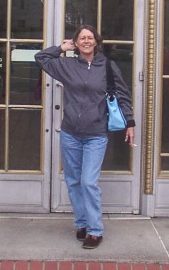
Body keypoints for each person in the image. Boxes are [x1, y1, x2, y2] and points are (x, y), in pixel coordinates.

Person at [35, 25, 135, 249]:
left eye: (90, 38)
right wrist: (61, 47)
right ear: (76, 43)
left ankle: (95, 230)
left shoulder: (108, 67)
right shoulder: (67, 65)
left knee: (89, 182)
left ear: (96, 42)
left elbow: (123, 96)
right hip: (70, 132)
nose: (86, 41)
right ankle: (81, 223)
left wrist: (130, 122)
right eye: (82, 38)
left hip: (96, 134)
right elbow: (40, 57)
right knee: (74, 181)